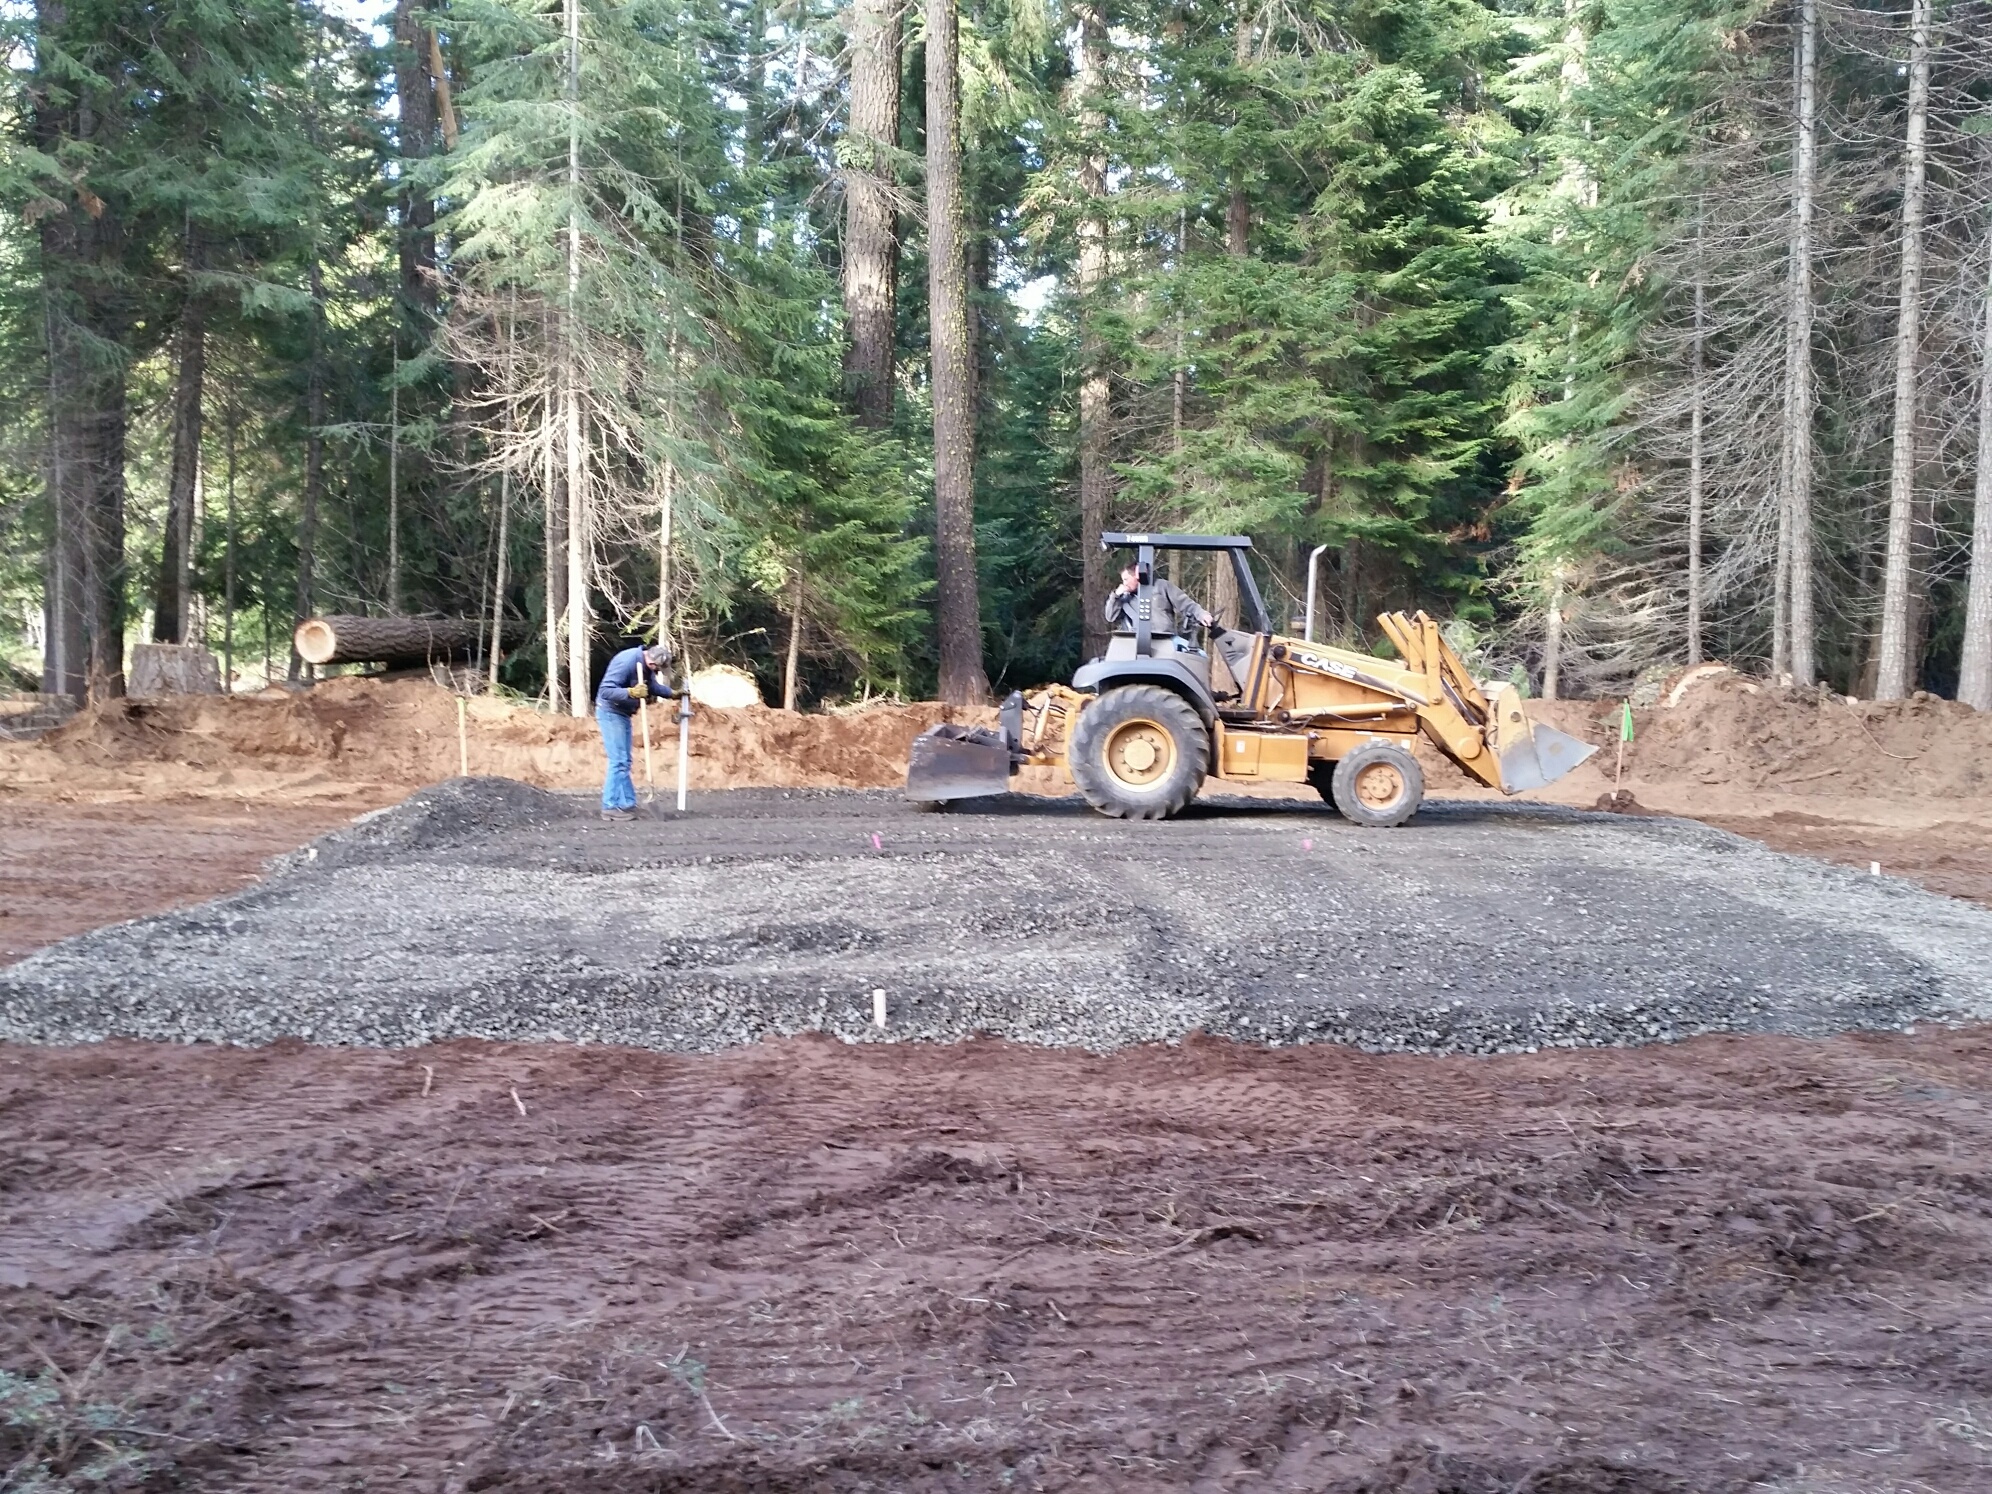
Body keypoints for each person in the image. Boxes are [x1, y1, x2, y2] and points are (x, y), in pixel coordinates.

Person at [595, 641, 674, 821]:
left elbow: (651, 688)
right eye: (657, 670)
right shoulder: (627, 661)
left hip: (623, 713)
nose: (656, 673)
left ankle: (627, 804)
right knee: (619, 761)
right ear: (653, 663)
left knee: (625, 760)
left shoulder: (645, 666)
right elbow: (606, 691)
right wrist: (630, 693)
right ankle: (610, 806)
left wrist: (672, 693)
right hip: (610, 712)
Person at [1103, 563, 1216, 641]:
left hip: (1165, 640)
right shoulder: (1122, 599)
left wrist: (1202, 614)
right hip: (1136, 643)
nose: (1124, 583)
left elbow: (1186, 604)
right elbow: (1110, 617)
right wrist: (1115, 595)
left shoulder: (1162, 586)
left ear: (1137, 576)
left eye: (1126, 579)